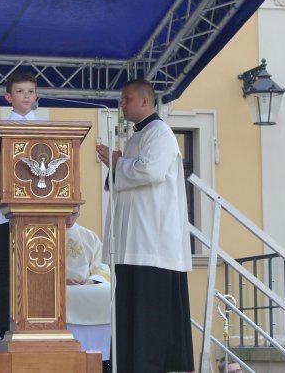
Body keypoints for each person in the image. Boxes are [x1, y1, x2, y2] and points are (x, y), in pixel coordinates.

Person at [95, 79, 194, 373]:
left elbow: (150, 171)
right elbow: (126, 178)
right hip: (133, 243)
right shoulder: (137, 137)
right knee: (131, 317)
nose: (121, 104)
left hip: (153, 245)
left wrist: (117, 162)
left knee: (149, 319)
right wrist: (117, 163)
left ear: (145, 101)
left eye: (126, 99)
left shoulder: (160, 133)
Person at [0, 70, 40, 339]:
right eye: (20, 91)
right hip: (8, 210)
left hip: (40, 211)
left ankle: (39, 322)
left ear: (36, 96)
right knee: (8, 269)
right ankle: (5, 327)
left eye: (30, 91)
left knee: (39, 268)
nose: (25, 96)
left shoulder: (46, 128)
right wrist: (10, 158)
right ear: (8, 96)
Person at [65, 211, 112, 371]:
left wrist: (92, 280)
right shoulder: (48, 234)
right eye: (66, 213)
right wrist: (63, 281)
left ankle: (103, 356)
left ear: (79, 211)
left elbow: (101, 266)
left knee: (108, 292)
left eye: (74, 213)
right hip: (61, 287)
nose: (69, 218)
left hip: (87, 286)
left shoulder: (89, 236)